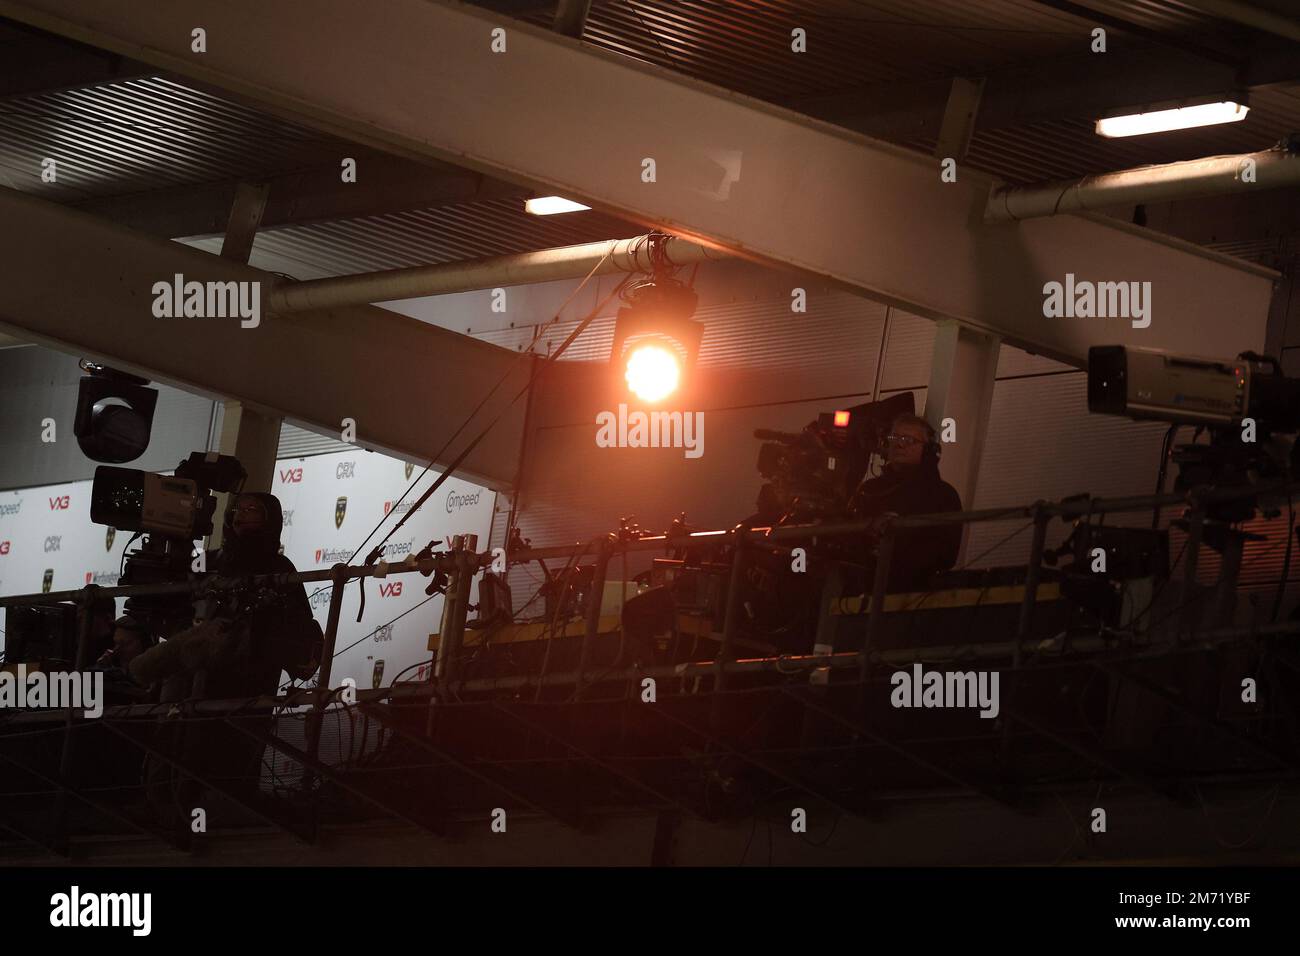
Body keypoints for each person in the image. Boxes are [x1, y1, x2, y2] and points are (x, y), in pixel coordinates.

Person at [850, 413, 963, 592]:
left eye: (909, 439)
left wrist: (899, 544)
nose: (899, 444)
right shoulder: (869, 490)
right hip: (861, 589)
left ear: (929, 450)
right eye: (894, 437)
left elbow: (947, 555)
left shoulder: (943, 495)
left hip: (913, 594)